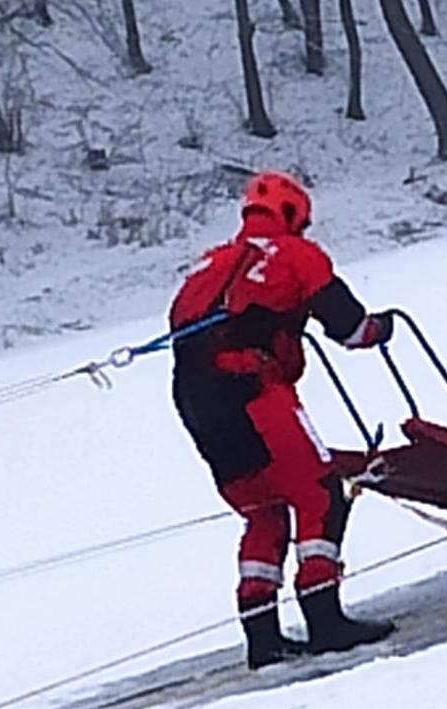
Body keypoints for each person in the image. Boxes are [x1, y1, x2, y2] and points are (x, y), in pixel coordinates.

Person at [169, 171, 395, 670]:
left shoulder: (207, 265)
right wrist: (383, 329)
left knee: (263, 510)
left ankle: (263, 638)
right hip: (251, 388)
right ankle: (325, 619)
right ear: (293, 216)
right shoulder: (297, 255)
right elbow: (351, 329)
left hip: (192, 400)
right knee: (319, 493)